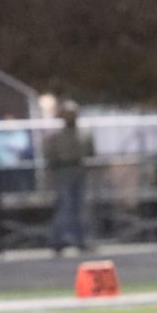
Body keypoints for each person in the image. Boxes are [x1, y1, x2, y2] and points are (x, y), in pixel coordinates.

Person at [45, 100, 93, 254]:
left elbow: (90, 152)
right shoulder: (56, 136)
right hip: (63, 173)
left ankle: (81, 240)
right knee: (65, 207)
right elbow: (51, 156)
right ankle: (58, 240)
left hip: (79, 172)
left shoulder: (84, 134)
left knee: (80, 207)